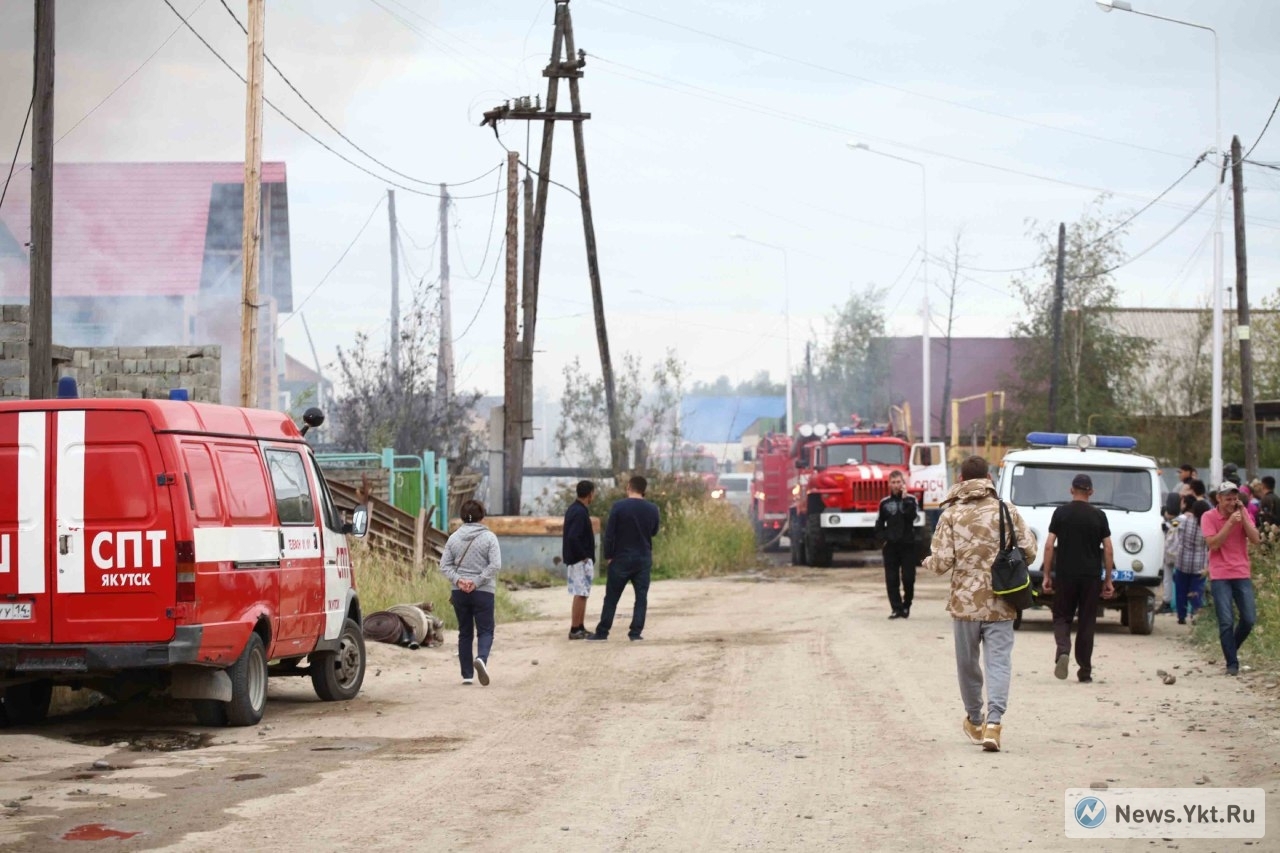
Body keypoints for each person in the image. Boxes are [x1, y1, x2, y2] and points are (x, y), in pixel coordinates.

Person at [922, 455, 1036, 754]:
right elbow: (1029, 550)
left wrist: (927, 562)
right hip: (1001, 601)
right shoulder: (1005, 509)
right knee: (999, 663)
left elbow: (942, 562)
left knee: (967, 664)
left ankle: (975, 719)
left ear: (960, 479)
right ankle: (995, 723)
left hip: (965, 605)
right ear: (988, 476)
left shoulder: (951, 515)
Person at [1041, 474, 1115, 684]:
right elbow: (1108, 549)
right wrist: (1108, 579)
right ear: (1091, 492)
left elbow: (1049, 545)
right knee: (1086, 622)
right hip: (1091, 577)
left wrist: (1047, 574)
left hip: (1065, 574)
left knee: (1062, 616)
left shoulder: (1061, 513)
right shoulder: (1099, 516)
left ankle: (1063, 650)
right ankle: (1085, 671)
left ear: (1071, 490)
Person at [588, 476, 661, 642]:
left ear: (629, 487)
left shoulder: (618, 507)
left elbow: (610, 534)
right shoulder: (652, 509)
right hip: (643, 557)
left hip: (620, 557)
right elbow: (654, 531)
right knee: (641, 597)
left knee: (612, 597)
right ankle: (635, 633)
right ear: (644, 489)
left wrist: (609, 555)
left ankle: (602, 632)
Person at [439, 499, 502, 685]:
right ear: (481, 515)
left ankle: (467, 675)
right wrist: (476, 582)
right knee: (485, 630)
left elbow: (444, 565)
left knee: (465, 632)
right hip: (483, 591)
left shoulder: (454, 538)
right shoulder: (489, 537)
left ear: (462, 516)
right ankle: (481, 658)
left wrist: (459, 580)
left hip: (459, 592)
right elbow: (495, 565)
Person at [1201, 482, 1261, 676]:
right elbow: (1214, 544)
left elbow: (1256, 539)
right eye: (1228, 499)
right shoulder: (1208, 517)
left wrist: (1243, 517)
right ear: (1219, 499)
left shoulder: (1242, 514)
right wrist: (1229, 523)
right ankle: (1232, 664)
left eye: (1235, 499)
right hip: (1220, 574)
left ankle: (1230, 648)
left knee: (1249, 618)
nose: (1232, 502)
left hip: (1241, 572)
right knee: (1226, 620)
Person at [875, 470, 919, 619]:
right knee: (891, 579)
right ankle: (896, 608)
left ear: (903, 483)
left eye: (898, 482)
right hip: (891, 546)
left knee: (908, 578)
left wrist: (905, 499)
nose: (896, 485)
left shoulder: (911, 500)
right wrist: (883, 539)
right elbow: (879, 523)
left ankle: (907, 605)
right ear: (889, 484)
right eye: (893, 482)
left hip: (908, 545)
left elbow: (911, 516)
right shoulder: (884, 503)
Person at [562, 480, 597, 640]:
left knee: (583, 593)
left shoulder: (576, 509)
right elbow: (573, 537)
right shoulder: (579, 512)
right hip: (578, 561)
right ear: (590, 494)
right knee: (580, 593)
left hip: (578, 559)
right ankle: (575, 628)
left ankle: (580, 626)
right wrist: (583, 556)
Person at [1174, 492, 1208, 626]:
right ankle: (1196, 614)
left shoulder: (1183, 520)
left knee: (1181, 590)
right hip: (1200, 563)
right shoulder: (1207, 524)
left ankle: (1181, 616)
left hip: (1183, 561)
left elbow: (1171, 524)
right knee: (1197, 590)